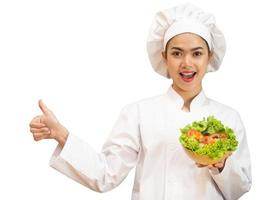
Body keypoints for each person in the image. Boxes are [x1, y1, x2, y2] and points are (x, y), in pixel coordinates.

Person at [29, 3, 252, 200]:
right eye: (176, 53)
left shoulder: (228, 117)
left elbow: (239, 189)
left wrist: (222, 164)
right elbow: (106, 175)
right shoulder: (139, 113)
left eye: (196, 53)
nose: (187, 63)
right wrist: (61, 135)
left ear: (209, 56)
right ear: (164, 56)